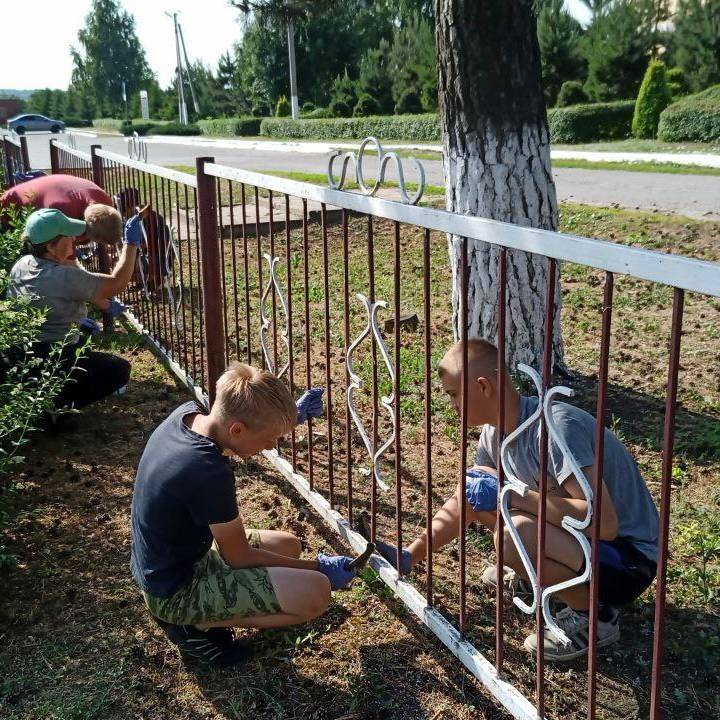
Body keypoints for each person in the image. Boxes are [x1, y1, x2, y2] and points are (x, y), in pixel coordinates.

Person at [369, 338, 659, 662]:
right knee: (480, 490)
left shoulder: (555, 429)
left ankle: (595, 618)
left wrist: (514, 495)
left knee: (513, 537)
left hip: (628, 559)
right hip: (586, 546)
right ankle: (533, 576)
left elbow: (603, 523)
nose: (451, 405)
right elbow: (468, 499)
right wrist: (410, 556)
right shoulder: (495, 433)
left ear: (483, 386)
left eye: (453, 394)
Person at [130, 365, 354, 668]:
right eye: (269, 438)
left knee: (288, 545)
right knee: (316, 591)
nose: (271, 446)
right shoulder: (207, 473)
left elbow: (233, 435)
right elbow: (239, 557)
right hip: (174, 590)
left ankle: (211, 604)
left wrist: (284, 419)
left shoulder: (188, 415)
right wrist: (318, 567)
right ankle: (195, 625)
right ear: (237, 429)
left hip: (175, 561)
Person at [3, 207, 143, 413]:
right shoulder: (63, 277)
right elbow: (117, 283)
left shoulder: (23, 264)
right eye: (67, 236)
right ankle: (56, 406)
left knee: (83, 336)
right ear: (51, 246)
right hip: (53, 356)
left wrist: (68, 255)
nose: (73, 239)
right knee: (118, 369)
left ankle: (44, 395)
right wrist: (131, 244)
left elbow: (78, 286)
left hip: (21, 353)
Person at [0, 174, 121, 246]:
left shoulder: (106, 204)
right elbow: (58, 253)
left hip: (50, 190)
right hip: (9, 206)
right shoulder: (61, 213)